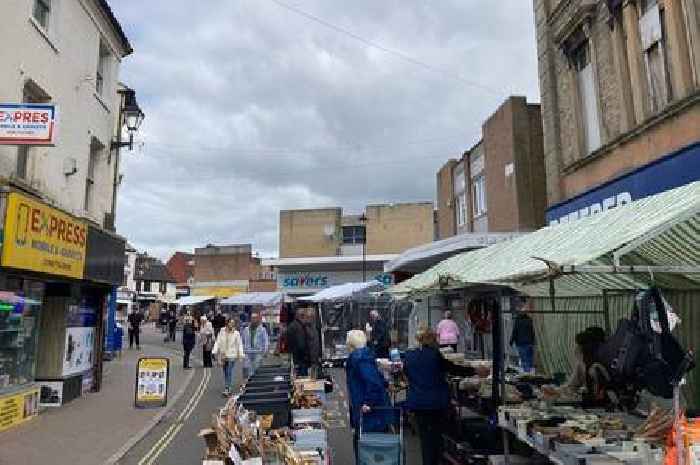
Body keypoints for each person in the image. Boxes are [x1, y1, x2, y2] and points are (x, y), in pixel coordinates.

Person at [403, 328, 451, 465]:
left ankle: (427, 461)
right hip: (436, 402)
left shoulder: (409, 355)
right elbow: (451, 368)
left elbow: (406, 374)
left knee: (425, 438)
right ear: (430, 339)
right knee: (437, 437)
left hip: (418, 402)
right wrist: (474, 371)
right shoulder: (435, 355)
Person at [345, 330, 392, 463]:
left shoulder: (358, 359)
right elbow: (377, 381)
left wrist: (368, 403)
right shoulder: (365, 356)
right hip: (372, 412)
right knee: (371, 449)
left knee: (367, 450)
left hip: (369, 414)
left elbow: (373, 383)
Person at [543, 327, 610, 406]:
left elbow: (598, 395)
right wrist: (555, 390)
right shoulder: (582, 364)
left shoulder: (598, 366)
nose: (577, 349)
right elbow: (572, 385)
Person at [212, 318, 245, 396]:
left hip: (232, 355)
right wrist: (214, 351)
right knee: (225, 372)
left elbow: (239, 344)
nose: (232, 324)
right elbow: (218, 341)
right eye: (231, 323)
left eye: (233, 323)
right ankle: (227, 386)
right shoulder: (222, 331)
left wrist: (241, 354)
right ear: (227, 323)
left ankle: (228, 388)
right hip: (223, 355)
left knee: (229, 371)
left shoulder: (236, 333)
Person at [241, 311, 270, 378]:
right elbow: (242, 340)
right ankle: (248, 382)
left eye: (255, 318)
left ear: (258, 319)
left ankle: (255, 382)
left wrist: (265, 351)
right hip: (247, 352)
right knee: (247, 368)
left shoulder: (262, 330)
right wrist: (242, 349)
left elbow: (266, 341)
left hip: (258, 352)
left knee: (257, 368)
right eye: (252, 318)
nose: (253, 320)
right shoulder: (246, 329)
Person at [510, 300, 536, 373]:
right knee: (530, 358)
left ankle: (527, 373)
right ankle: (531, 372)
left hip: (521, 343)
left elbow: (515, 331)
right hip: (530, 342)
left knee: (524, 359)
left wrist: (511, 341)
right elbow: (533, 331)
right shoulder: (530, 320)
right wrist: (534, 340)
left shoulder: (518, 321)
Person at [286, 309, 309, 376]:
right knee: (302, 375)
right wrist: (305, 354)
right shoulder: (298, 326)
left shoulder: (293, 325)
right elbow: (301, 344)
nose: (306, 318)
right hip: (299, 356)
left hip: (295, 354)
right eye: (304, 316)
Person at [303, 308, 322, 377]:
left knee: (314, 369)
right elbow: (311, 338)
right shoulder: (307, 327)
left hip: (314, 353)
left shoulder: (313, 326)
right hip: (310, 354)